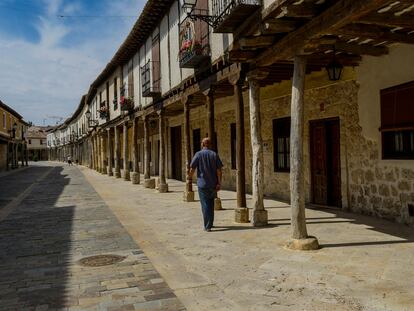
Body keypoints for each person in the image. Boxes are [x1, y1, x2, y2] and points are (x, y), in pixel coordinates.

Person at [188, 137, 223, 232]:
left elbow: (192, 168)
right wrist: (219, 182)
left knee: (205, 205)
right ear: (210, 144)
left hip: (202, 184)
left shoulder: (198, 154)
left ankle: (207, 226)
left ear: (202, 144)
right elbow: (219, 170)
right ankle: (210, 223)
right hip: (213, 184)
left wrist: (189, 177)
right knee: (210, 204)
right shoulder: (214, 155)